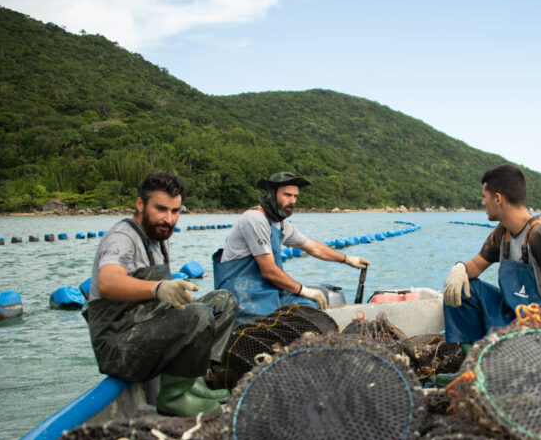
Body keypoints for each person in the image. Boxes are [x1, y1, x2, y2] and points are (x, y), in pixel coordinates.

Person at [85, 171, 237, 417]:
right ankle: (173, 398)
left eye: (175, 211)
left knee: (223, 302)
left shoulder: (158, 237)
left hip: (148, 329)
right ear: (139, 204)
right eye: (161, 209)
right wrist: (158, 288)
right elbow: (106, 282)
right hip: (119, 346)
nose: (168, 218)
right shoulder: (122, 238)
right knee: (197, 315)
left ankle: (192, 383)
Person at [443, 164, 541, 343]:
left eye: (485, 197)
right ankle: (473, 353)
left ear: (498, 198)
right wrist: (459, 268)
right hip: (515, 312)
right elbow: (476, 266)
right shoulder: (503, 232)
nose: (483, 202)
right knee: (463, 289)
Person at [213, 171, 370, 322]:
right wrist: (304, 290)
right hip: (242, 297)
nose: (293, 201)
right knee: (287, 314)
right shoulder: (254, 219)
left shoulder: (281, 225)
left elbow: (313, 247)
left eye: (295, 196)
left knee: (311, 306)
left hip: (268, 293)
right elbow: (269, 271)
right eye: (287, 195)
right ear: (272, 194)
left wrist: (347, 259)